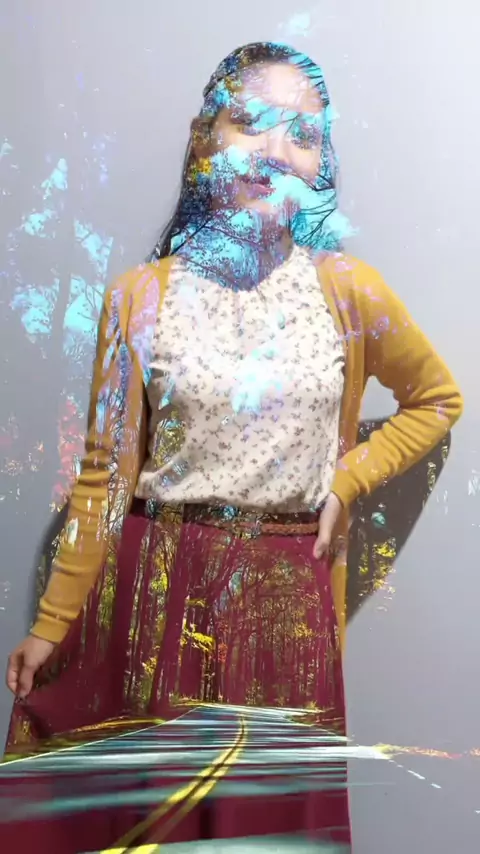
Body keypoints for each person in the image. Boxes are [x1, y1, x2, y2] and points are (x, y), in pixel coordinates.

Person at [3, 41, 463, 850]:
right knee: (154, 820)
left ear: (319, 165)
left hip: (287, 600)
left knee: (266, 829)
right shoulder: (138, 298)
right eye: (251, 122)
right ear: (204, 139)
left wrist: (349, 478)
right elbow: (105, 477)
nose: (275, 151)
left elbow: (437, 400)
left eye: (303, 135)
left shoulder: (350, 292)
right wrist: (52, 623)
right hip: (157, 585)